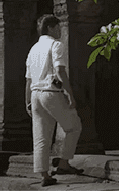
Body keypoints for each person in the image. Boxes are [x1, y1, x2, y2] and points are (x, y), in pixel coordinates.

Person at [25, 14, 83, 187]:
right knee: (74, 126)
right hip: (51, 92)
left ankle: (44, 175)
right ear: (50, 28)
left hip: (35, 94)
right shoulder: (56, 45)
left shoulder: (33, 49)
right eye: (58, 27)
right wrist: (70, 93)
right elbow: (60, 71)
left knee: (41, 136)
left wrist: (27, 101)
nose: (60, 31)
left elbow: (28, 79)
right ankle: (64, 163)